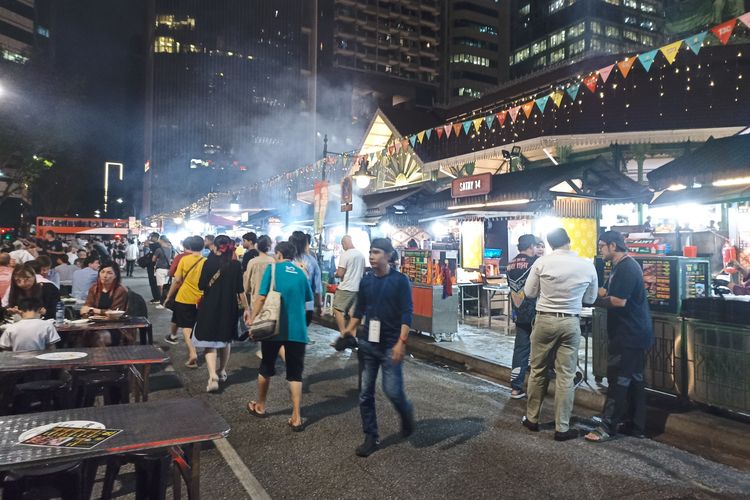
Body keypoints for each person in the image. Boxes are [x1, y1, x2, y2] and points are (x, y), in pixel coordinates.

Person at [522, 228, 598, 441]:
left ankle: (532, 419)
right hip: (570, 321)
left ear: (549, 244)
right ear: (569, 241)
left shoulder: (542, 262)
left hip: (545, 319)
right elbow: (591, 299)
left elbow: (529, 293)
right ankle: (562, 428)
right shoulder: (586, 265)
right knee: (566, 375)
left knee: (538, 370)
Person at [342, 238, 415, 457]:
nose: (371, 256)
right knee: (365, 393)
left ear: (388, 255)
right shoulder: (366, 281)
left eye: (376, 252)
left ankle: (406, 414)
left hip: (391, 345)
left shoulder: (400, 281)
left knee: (392, 390)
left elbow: (407, 313)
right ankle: (370, 436)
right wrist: (348, 329)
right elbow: (360, 309)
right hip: (367, 343)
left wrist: (401, 343)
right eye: (370, 252)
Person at [586, 231, 653, 442]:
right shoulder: (619, 266)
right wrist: (587, 292)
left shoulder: (627, 268)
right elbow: (606, 292)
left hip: (629, 335)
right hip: (632, 333)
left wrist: (589, 302)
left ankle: (607, 426)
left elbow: (617, 301)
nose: (600, 250)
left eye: (602, 246)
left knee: (618, 380)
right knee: (634, 380)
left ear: (613, 246)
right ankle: (635, 425)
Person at [246, 241, 312, 431]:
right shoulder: (301, 272)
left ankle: (260, 405)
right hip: (298, 331)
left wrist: (253, 318)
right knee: (295, 374)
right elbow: (309, 300)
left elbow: (261, 297)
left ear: (279, 254)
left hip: (273, 329)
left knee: (266, 367)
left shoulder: (273, 269)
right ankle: (297, 417)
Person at [193, 235, 249, 392]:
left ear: (216, 247)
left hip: (210, 306)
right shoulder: (236, 265)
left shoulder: (208, 263)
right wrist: (247, 309)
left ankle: (212, 376)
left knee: (210, 342)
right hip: (229, 307)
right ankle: (222, 370)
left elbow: (201, 285)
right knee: (226, 340)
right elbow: (240, 291)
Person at [163, 236, 206, 367]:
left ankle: (192, 352)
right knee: (195, 325)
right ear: (203, 247)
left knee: (187, 328)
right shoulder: (206, 261)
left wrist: (168, 297)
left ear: (190, 247)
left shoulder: (184, 259)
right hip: (201, 299)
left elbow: (177, 281)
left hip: (184, 298)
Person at [507, 235, 541, 399]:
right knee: (541, 349)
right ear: (531, 246)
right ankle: (539, 387)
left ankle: (516, 388)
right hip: (535, 312)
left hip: (518, 312)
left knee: (520, 349)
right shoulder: (535, 263)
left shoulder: (510, 263)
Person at [333, 235, 366, 336]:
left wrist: (335, 274)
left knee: (337, 309)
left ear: (344, 243)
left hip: (346, 287)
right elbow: (363, 272)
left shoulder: (345, 254)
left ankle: (343, 334)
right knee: (353, 314)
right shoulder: (361, 255)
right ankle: (352, 336)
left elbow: (340, 273)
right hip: (358, 288)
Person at [290, 231, 322, 324]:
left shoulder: (287, 261)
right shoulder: (312, 261)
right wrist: (320, 305)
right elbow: (318, 286)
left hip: (289, 304)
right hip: (308, 305)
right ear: (306, 244)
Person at [152, 236, 174, 308]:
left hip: (160, 269)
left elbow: (153, 259)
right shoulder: (170, 249)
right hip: (167, 269)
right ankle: (166, 300)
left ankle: (162, 302)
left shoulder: (158, 249)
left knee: (161, 286)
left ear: (161, 241)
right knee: (165, 286)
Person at [145, 232, 161, 303]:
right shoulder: (160, 245)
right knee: (157, 283)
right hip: (158, 266)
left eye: (151, 237)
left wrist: (148, 238)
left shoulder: (155, 245)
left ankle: (156, 298)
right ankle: (158, 297)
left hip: (153, 266)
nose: (150, 238)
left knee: (153, 282)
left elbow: (146, 243)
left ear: (155, 237)